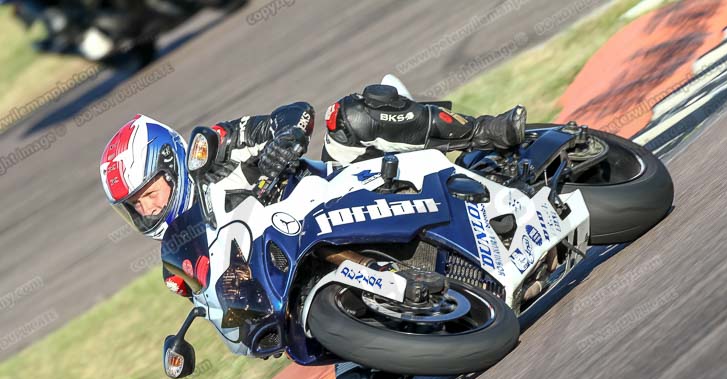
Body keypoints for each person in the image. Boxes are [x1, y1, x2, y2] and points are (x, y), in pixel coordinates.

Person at [100, 85, 526, 292]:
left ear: (171, 166)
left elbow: (296, 113)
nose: (149, 208)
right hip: (307, 272)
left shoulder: (212, 153)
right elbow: (225, 313)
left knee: (349, 116)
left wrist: (283, 143)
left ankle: (487, 131)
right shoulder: (181, 258)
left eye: (150, 191)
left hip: (346, 189)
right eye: (135, 206)